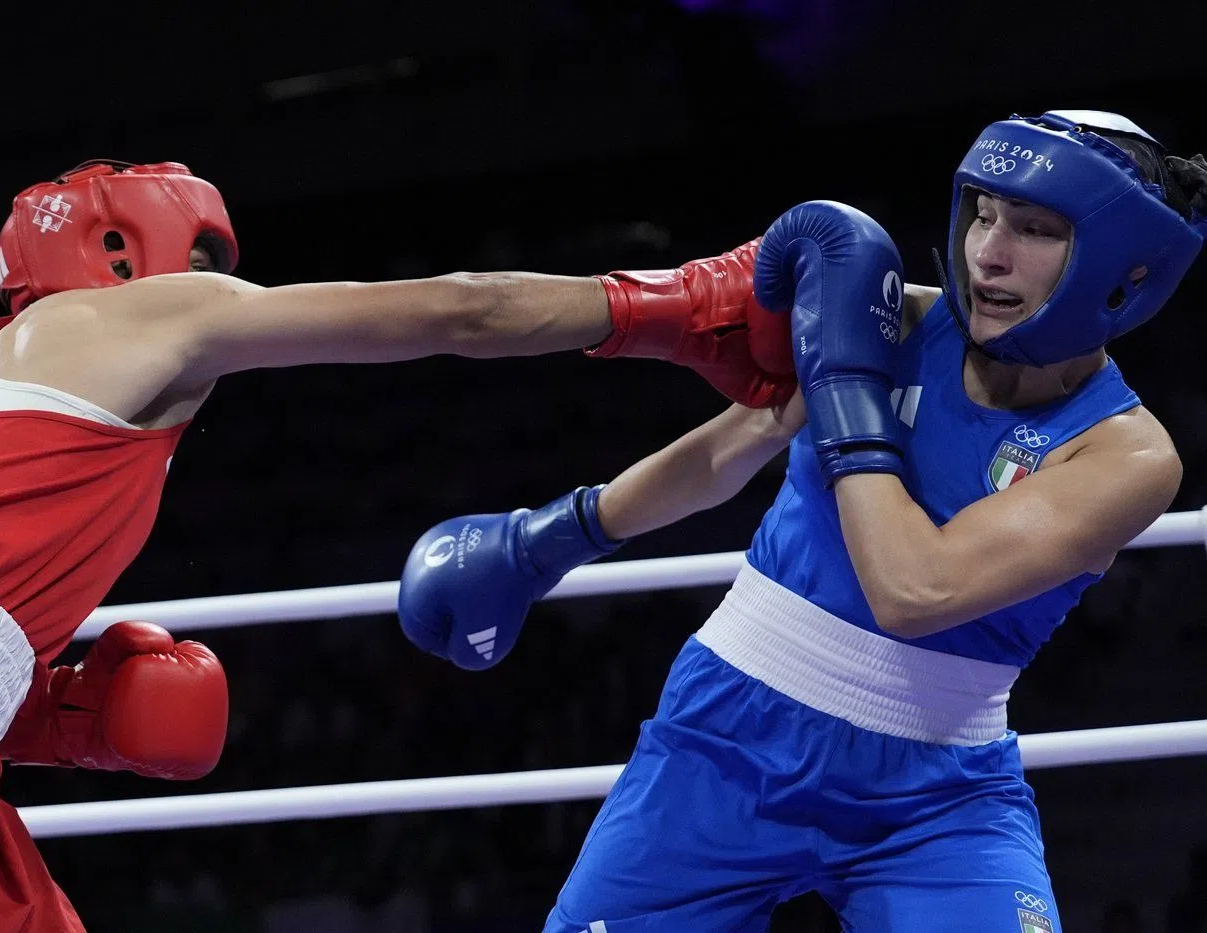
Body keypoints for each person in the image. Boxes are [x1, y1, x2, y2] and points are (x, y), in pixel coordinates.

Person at [0, 158, 796, 932]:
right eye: (202, 264)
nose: (221, 290)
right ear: (122, 252)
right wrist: (679, 304)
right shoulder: (138, 313)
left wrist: (68, 718)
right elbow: (460, 308)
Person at [397, 110, 1207, 930]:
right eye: (985, 216)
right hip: (726, 736)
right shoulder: (900, 320)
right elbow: (731, 449)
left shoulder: (1127, 458)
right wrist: (551, 538)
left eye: (1033, 229)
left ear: (1120, 264)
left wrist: (849, 395)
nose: (988, 253)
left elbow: (917, 588)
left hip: (937, 795)